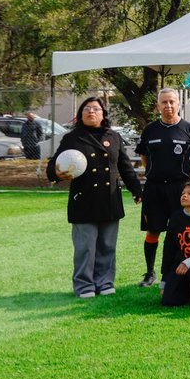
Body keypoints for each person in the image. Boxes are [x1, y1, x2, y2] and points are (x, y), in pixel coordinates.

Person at [47, 97, 143, 299]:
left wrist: (136, 190)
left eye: (96, 109)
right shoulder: (72, 138)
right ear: (81, 114)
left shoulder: (113, 136)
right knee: (85, 247)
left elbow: (124, 166)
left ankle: (105, 282)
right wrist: (56, 173)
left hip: (109, 200)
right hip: (83, 201)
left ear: (103, 114)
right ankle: (84, 286)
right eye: (87, 109)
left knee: (107, 246)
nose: (91, 112)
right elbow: (53, 166)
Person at [136, 88, 190, 288]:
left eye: (172, 102)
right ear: (158, 106)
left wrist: (182, 175)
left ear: (178, 104)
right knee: (153, 231)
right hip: (154, 188)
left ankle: (177, 269)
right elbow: (144, 157)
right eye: (164, 102)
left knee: (181, 231)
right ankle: (150, 272)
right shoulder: (150, 130)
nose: (168, 106)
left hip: (180, 189)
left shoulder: (189, 129)